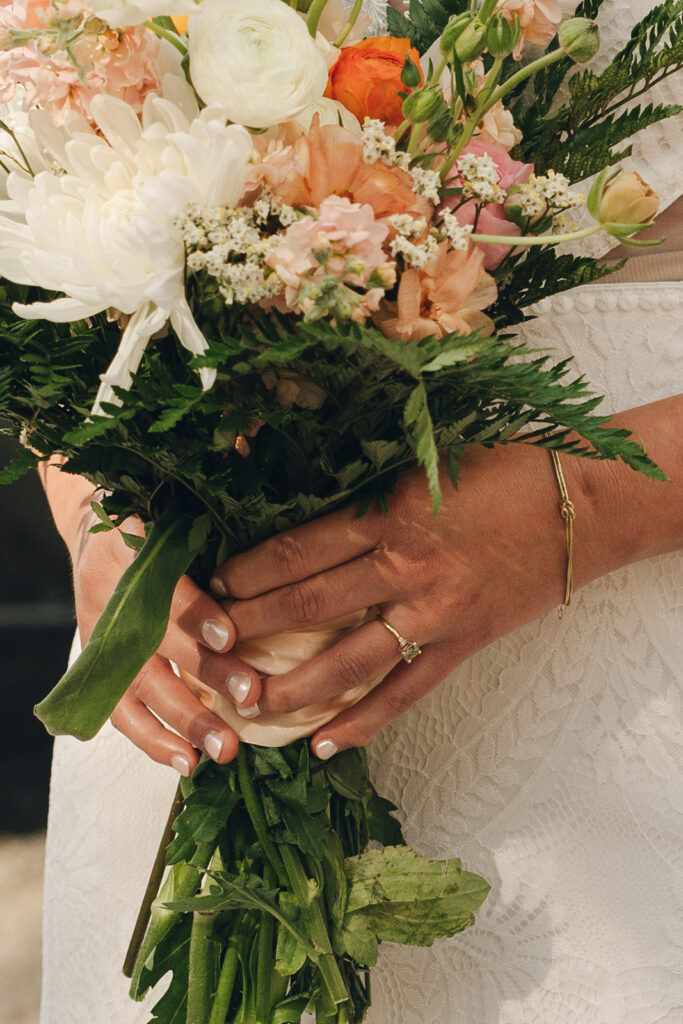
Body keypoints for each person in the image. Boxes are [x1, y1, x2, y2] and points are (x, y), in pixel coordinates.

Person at [38, 2, 683, 1022]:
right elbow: (39, 163)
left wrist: (589, 506)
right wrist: (100, 511)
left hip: (625, 624)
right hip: (195, 634)